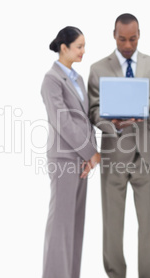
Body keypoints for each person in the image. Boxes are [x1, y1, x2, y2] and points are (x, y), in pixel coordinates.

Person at [88, 13, 150, 278]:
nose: (127, 44)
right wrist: (111, 124)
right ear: (114, 35)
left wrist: (144, 109)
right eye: (122, 39)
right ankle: (115, 275)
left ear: (139, 35)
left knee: (147, 223)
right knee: (112, 223)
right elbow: (92, 110)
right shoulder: (98, 68)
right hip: (114, 153)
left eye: (132, 39)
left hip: (146, 153)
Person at [40, 26, 101, 278]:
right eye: (79, 46)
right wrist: (90, 152)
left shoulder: (76, 77)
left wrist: (91, 153)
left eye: (84, 46)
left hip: (81, 159)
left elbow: (84, 119)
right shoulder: (51, 80)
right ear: (64, 48)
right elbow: (62, 121)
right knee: (61, 225)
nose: (83, 51)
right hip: (65, 158)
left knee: (75, 226)